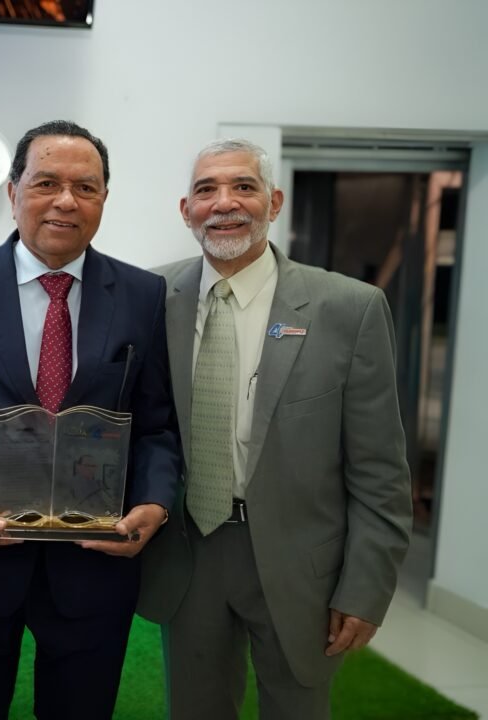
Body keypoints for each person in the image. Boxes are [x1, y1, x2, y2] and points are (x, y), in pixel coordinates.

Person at [0, 119, 181, 719]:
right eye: (46, 182)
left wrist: (153, 504)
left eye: (86, 187)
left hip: (93, 563)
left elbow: (155, 423)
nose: (66, 201)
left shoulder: (142, 295)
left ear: (104, 198)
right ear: (13, 191)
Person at [137, 138, 412, 719]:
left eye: (243, 186)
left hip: (301, 565)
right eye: (206, 190)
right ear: (185, 210)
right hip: (189, 553)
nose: (224, 203)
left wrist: (365, 588)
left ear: (274, 201)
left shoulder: (349, 309)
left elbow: (380, 470)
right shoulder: (149, 298)